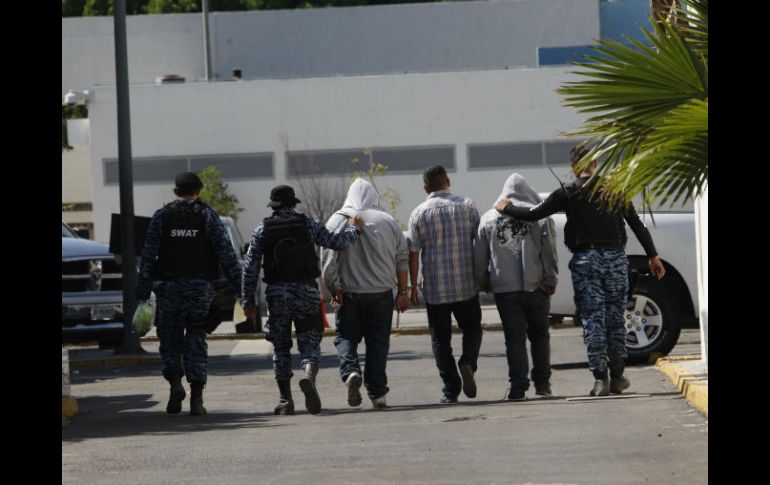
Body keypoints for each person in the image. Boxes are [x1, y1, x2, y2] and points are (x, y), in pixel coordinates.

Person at [494, 144, 665, 396]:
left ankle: (600, 379)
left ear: (573, 166)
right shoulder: (615, 190)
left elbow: (534, 213)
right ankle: (618, 376)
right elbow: (637, 224)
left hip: (586, 261)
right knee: (616, 318)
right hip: (616, 259)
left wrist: (505, 207)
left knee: (593, 319)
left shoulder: (568, 192)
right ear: (596, 164)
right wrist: (652, 255)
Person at [242, 185, 364, 415]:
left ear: (274, 205)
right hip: (306, 292)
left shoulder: (262, 230)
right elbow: (335, 242)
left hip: (277, 295)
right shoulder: (308, 224)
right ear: (293, 203)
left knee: (280, 347)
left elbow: (249, 269)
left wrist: (248, 301)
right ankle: (308, 374)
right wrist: (354, 229)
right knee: (309, 342)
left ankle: (285, 400)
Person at [135, 172, 242, 416]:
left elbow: (148, 257)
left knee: (170, 340)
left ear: (176, 191)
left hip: (169, 289)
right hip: (199, 289)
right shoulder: (207, 216)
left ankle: (175, 384)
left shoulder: (162, 216)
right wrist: (241, 289)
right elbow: (227, 255)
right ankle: (197, 398)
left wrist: (142, 293)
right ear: (199, 191)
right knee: (196, 338)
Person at [320, 178, 410, 410]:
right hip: (381, 294)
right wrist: (403, 291)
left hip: (349, 293)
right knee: (378, 343)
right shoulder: (388, 221)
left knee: (345, 337)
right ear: (374, 196)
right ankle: (378, 394)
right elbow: (402, 258)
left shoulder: (336, 220)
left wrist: (334, 287)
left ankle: (350, 371)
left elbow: (329, 261)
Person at [476, 173, 558, 401]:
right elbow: (550, 252)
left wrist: (485, 282)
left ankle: (518, 387)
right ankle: (543, 384)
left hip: (504, 288)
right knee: (540, 335)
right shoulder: (539, 215)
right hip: (537, 287)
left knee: (514, 338)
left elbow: (479, 258)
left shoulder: (488, 219)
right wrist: (551, 280)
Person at [408, 165, 482, 404]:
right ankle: (468, 362)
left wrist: (411, 286)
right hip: (466, 284)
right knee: (472, 327)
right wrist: (482, 274)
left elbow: (413, 252)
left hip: (435, 287)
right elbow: (480, 243)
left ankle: (451, 389)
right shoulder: (468, 206)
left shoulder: (419, 213)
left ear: (425, 188)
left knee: (441, 338)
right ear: (448, 181)